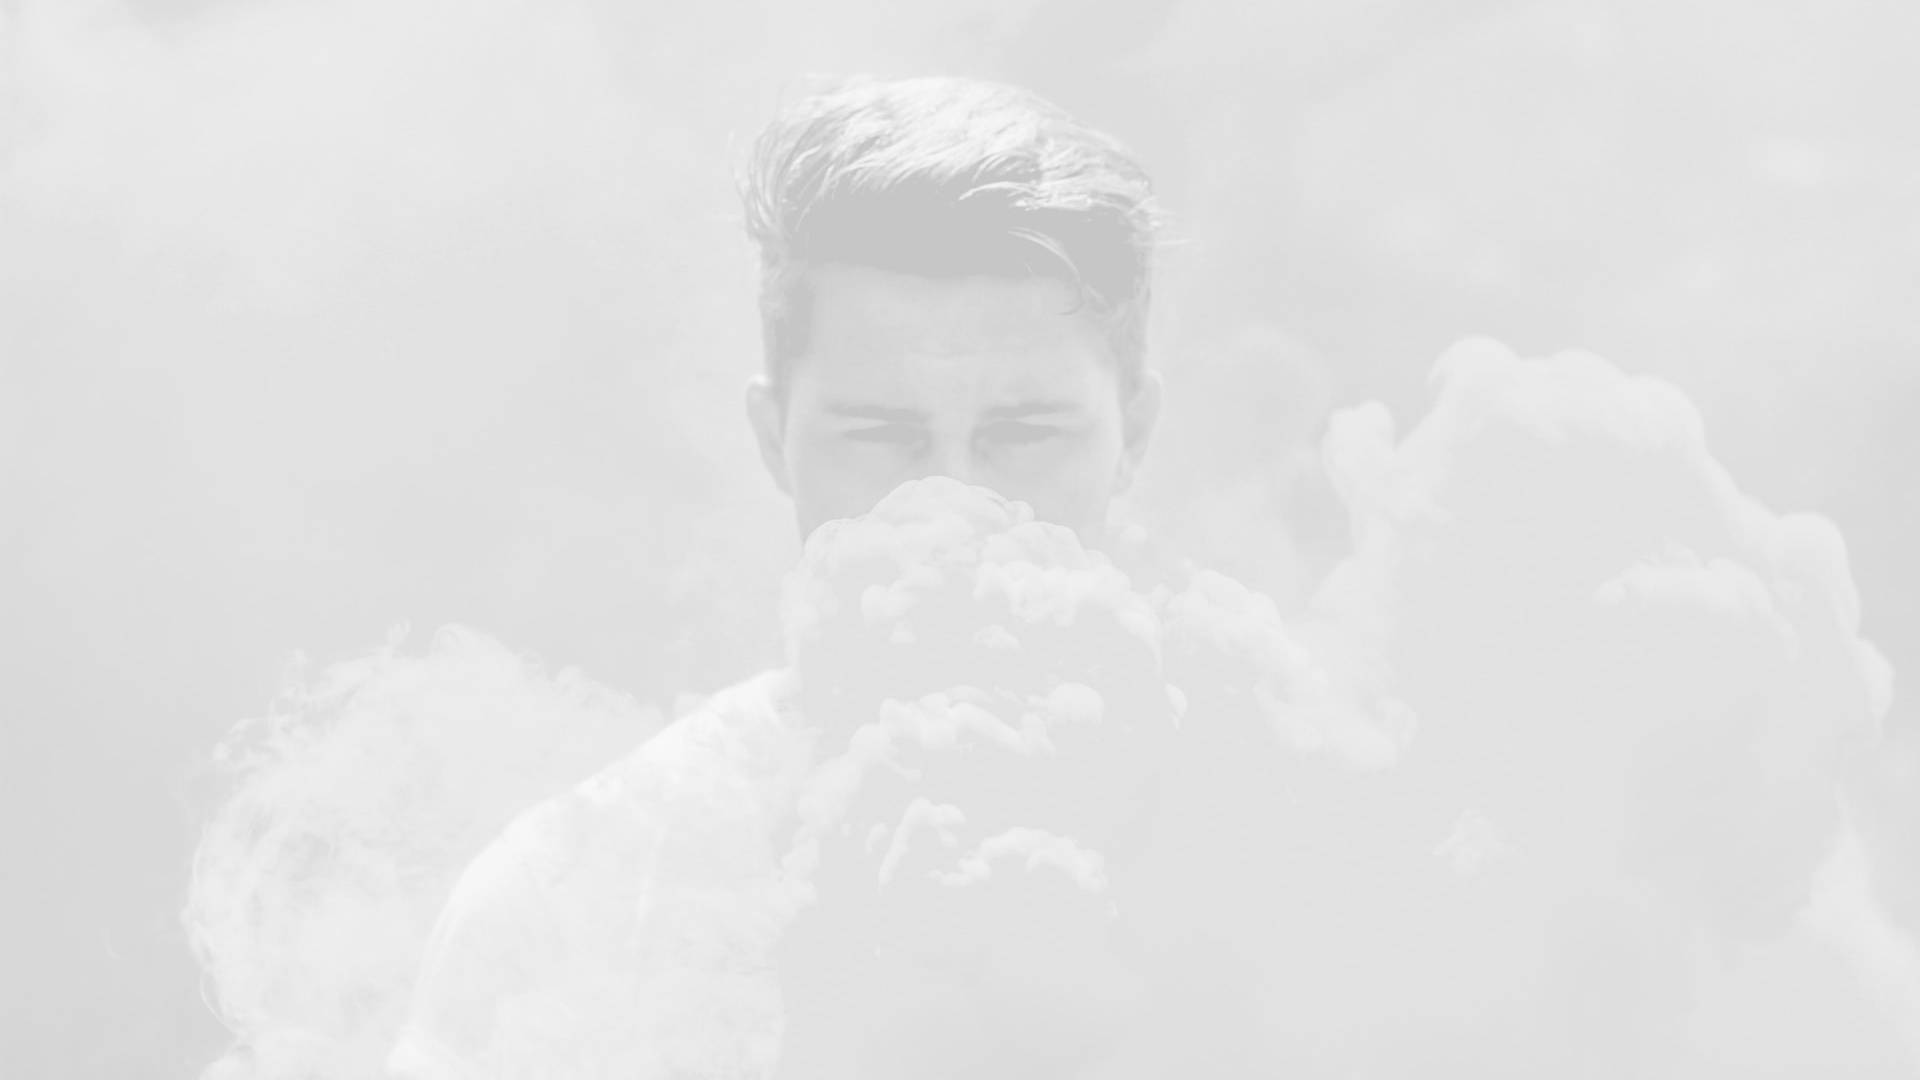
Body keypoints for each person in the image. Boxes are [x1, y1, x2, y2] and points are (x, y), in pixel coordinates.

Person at [383, 75, 1176, 1079]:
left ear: (1133, 434)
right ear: (772, 441)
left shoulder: (1301, 836)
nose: (953, 501)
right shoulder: (582, 900)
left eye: (1023, 434)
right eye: (880, 435)